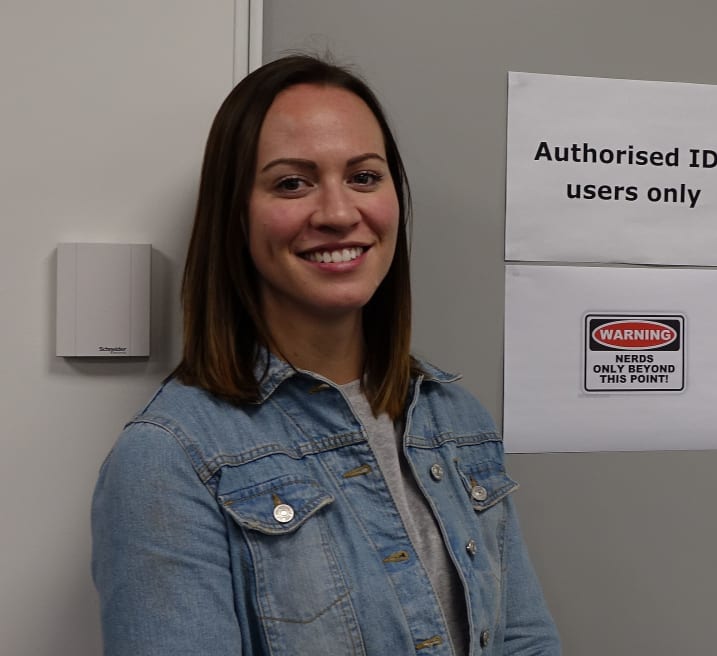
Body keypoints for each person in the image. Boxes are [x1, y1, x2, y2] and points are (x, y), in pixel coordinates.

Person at [91, 54, 561, 656]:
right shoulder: (169, 459)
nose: (340, 214)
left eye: (364, 177)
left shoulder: (455, 420)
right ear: (235, 214)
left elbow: (524, 641)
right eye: (292, 182)